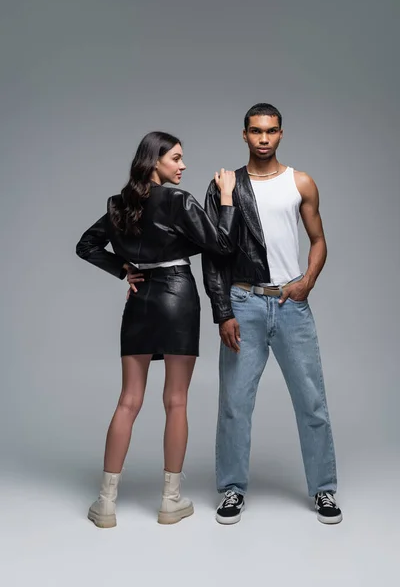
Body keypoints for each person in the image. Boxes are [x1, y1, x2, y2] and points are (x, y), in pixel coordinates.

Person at [76, 131, 238, 528]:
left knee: (128, 400)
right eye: (176, 159)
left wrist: (124, 270)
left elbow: (86, 245)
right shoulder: (179, 200)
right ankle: (170, 502)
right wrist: (228, 197)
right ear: (154, 162)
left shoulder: (119, 205)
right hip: (178, 298)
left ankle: (106, 504)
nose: (183, 166)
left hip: (140, 299)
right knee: (176, 401)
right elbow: (221, 244)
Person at [202, 103, 342, 525]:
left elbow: (319, 241)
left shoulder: (301, 182)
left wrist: (307, 282)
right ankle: (231, 490)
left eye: (272, 131)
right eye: (256, 131)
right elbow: (213, 256)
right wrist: (223, 311)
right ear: (244, 134)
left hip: (290, 303)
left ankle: (324, 490)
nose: (264, 138)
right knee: (234, 404)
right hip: (243, 303)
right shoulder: (226, 185)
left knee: (311, 401)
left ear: (281, 134)